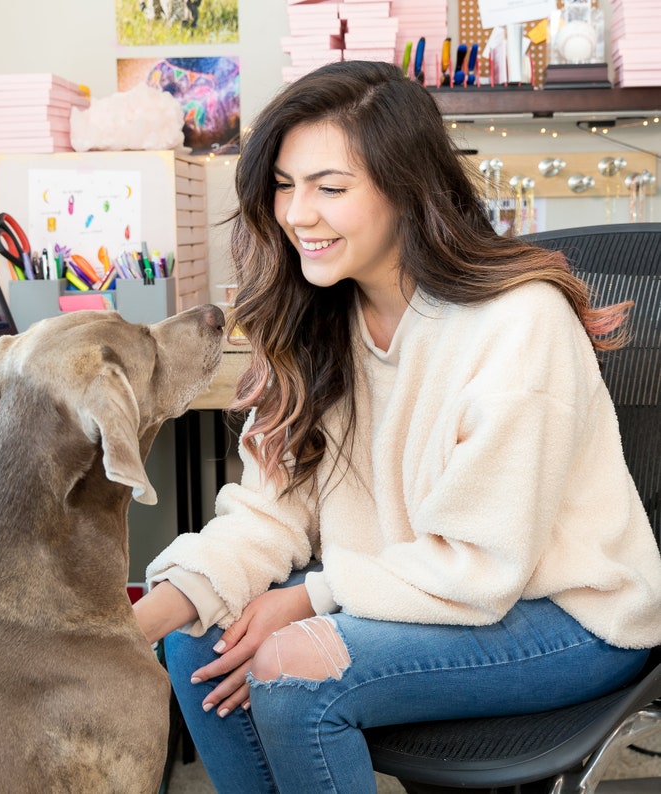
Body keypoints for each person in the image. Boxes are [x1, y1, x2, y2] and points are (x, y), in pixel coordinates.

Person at [133, 60, 661, 793]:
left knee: (293, 671)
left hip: (565, 616)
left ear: (407, 190)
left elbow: (482, 568)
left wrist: (310, 598)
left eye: (330, 188)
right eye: (285, 185)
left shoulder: (517, 323)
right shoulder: (315, 318)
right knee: (199, 643)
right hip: (412, 594)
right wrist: (139, 623)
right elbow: (266, 514)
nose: (297, 213)